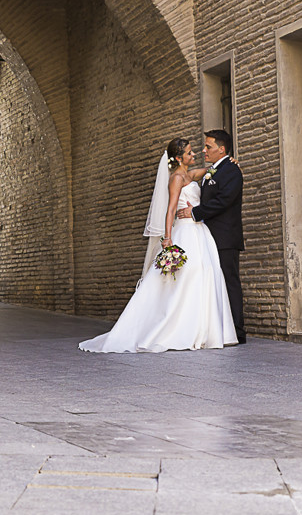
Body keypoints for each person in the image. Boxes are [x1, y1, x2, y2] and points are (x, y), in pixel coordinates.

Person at [79, 138, 237, 353]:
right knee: (188, 275)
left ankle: (204, 330)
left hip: (200, 233)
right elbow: (171, 209)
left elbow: (213, 170)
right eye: (190, 153)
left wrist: (230, 163)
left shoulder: (190, 175)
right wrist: (168, 239)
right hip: (184, 231)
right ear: (180, 158)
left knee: (206, 273)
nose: (194, 155)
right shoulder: (176, 178)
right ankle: (177, 328)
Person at [177, 129, 246, 343]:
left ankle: (237, 331)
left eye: (208, 147)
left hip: (225, 237)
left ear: (222, 149)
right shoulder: (214, 170)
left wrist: (195, 212)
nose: (204, 150)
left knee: (229, 281)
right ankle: (219, 330)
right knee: (214, 283)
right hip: (207, 236)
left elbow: (224, 200)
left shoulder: (231, 171)